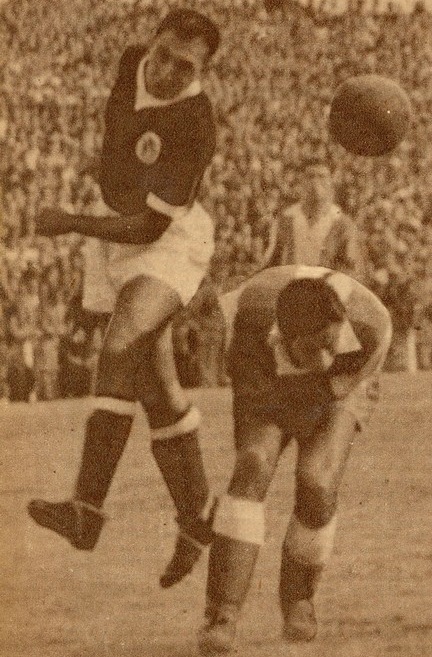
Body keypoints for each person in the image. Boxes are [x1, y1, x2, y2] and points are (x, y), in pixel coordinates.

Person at [27, 9, 220, 589]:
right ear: (152, 41)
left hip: (165, 242)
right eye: (164, 54)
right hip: (116, 234)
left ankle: (86, 510)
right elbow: (125, 138)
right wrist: (105, 169)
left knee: (122, 344)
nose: (167, 71)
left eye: (185, 67)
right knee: (158, 392)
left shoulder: (197, 123)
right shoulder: (131, 61)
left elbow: (150, 228)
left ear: (202, 71)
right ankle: (198, 519)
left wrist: (71, 222)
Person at [198, 264, 392, 655]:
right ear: (283, 337)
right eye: (310, 347)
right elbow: (258, 399)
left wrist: (328, 382)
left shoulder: (370, 327)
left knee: (318, 479)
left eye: (329, 342)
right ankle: (223, 612)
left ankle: (299, 598)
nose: (323, 357)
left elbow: (335, 386)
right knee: (253, 464)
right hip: (265, 371)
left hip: (342, 381)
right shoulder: (248, 324)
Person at [269, 159, 363, 279]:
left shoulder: (343, 223)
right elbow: (273, 263)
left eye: (322, 176)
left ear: (331, 182)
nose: (316, 182)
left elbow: (350, 268)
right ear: (301, 181)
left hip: (327, 288)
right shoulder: (286, 219)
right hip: (293, 287)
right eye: (310, 176)